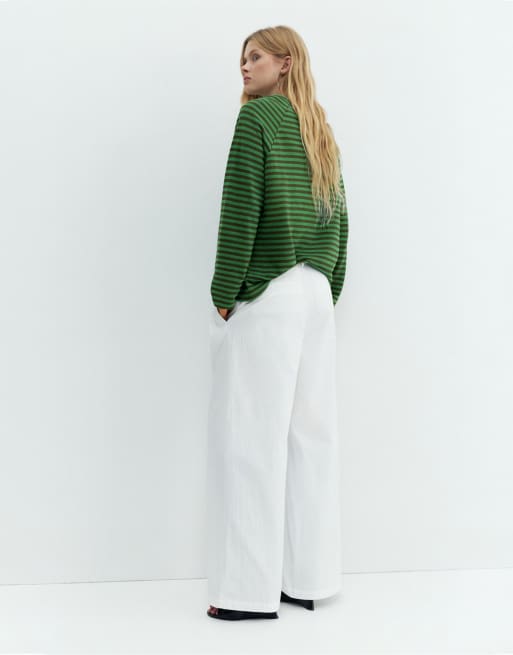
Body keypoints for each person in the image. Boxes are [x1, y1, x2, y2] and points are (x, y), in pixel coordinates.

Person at [206, 25, 349, 621]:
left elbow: (241, 210)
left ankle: (246, 594)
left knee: (251, 439)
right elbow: (341, 219)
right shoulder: (318, 127)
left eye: (256, 56)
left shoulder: (257, 119)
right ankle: (308, 579)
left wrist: (224, 292)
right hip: (314, 294)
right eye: (242, 59)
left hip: (269, 294)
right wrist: (328, 288)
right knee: (311, 438)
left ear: (285, 63)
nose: (245, 67)